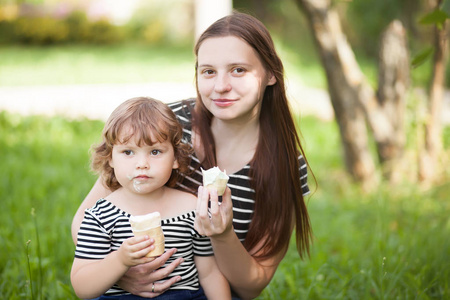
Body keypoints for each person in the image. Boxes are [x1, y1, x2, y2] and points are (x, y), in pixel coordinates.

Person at [72, 11, 313, 299]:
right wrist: (122, 274)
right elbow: (85, 222)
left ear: (271, 74)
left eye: (238, 70)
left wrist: (222, 235)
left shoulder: (284, 165)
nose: (221, 86)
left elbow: (251, 285)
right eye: (209, 71)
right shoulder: (166, 126)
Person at [71, 97, 230, 300]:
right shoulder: (100, 215)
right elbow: (82, 287)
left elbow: (210, 274)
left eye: (155, 152)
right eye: (128, 152)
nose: (142, 164)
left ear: (175, 159)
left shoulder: (191, 208)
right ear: (110, 158)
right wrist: (120, 260)